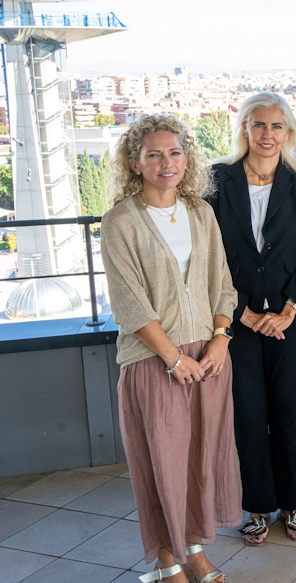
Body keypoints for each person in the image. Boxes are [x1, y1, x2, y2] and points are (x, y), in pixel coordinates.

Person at [101, 115, 239, 583]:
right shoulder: (120, 220)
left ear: (187, 159)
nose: (166, 163)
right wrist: (173, 358)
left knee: (200, 460)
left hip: (209, 357)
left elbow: (223, 283)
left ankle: (195, 549)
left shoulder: (201, 212)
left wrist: (221, 339)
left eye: (174, 153)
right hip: (154, 361)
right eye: (154, 154)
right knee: (161, 464)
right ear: (135, 163)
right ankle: (166, 560)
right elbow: (130, 303)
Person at [207, 93, 296, 545]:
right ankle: (257, 507)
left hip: (290, 321)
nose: (268, 135)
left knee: (292, 414)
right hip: (236, 322)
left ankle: (293, 502)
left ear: (289, 133)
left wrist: (288, 311)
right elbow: (210, 257)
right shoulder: (217, 181)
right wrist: (246, 313)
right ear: (244, 129)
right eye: (259, 125)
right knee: (249, 417)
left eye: (277, 127)